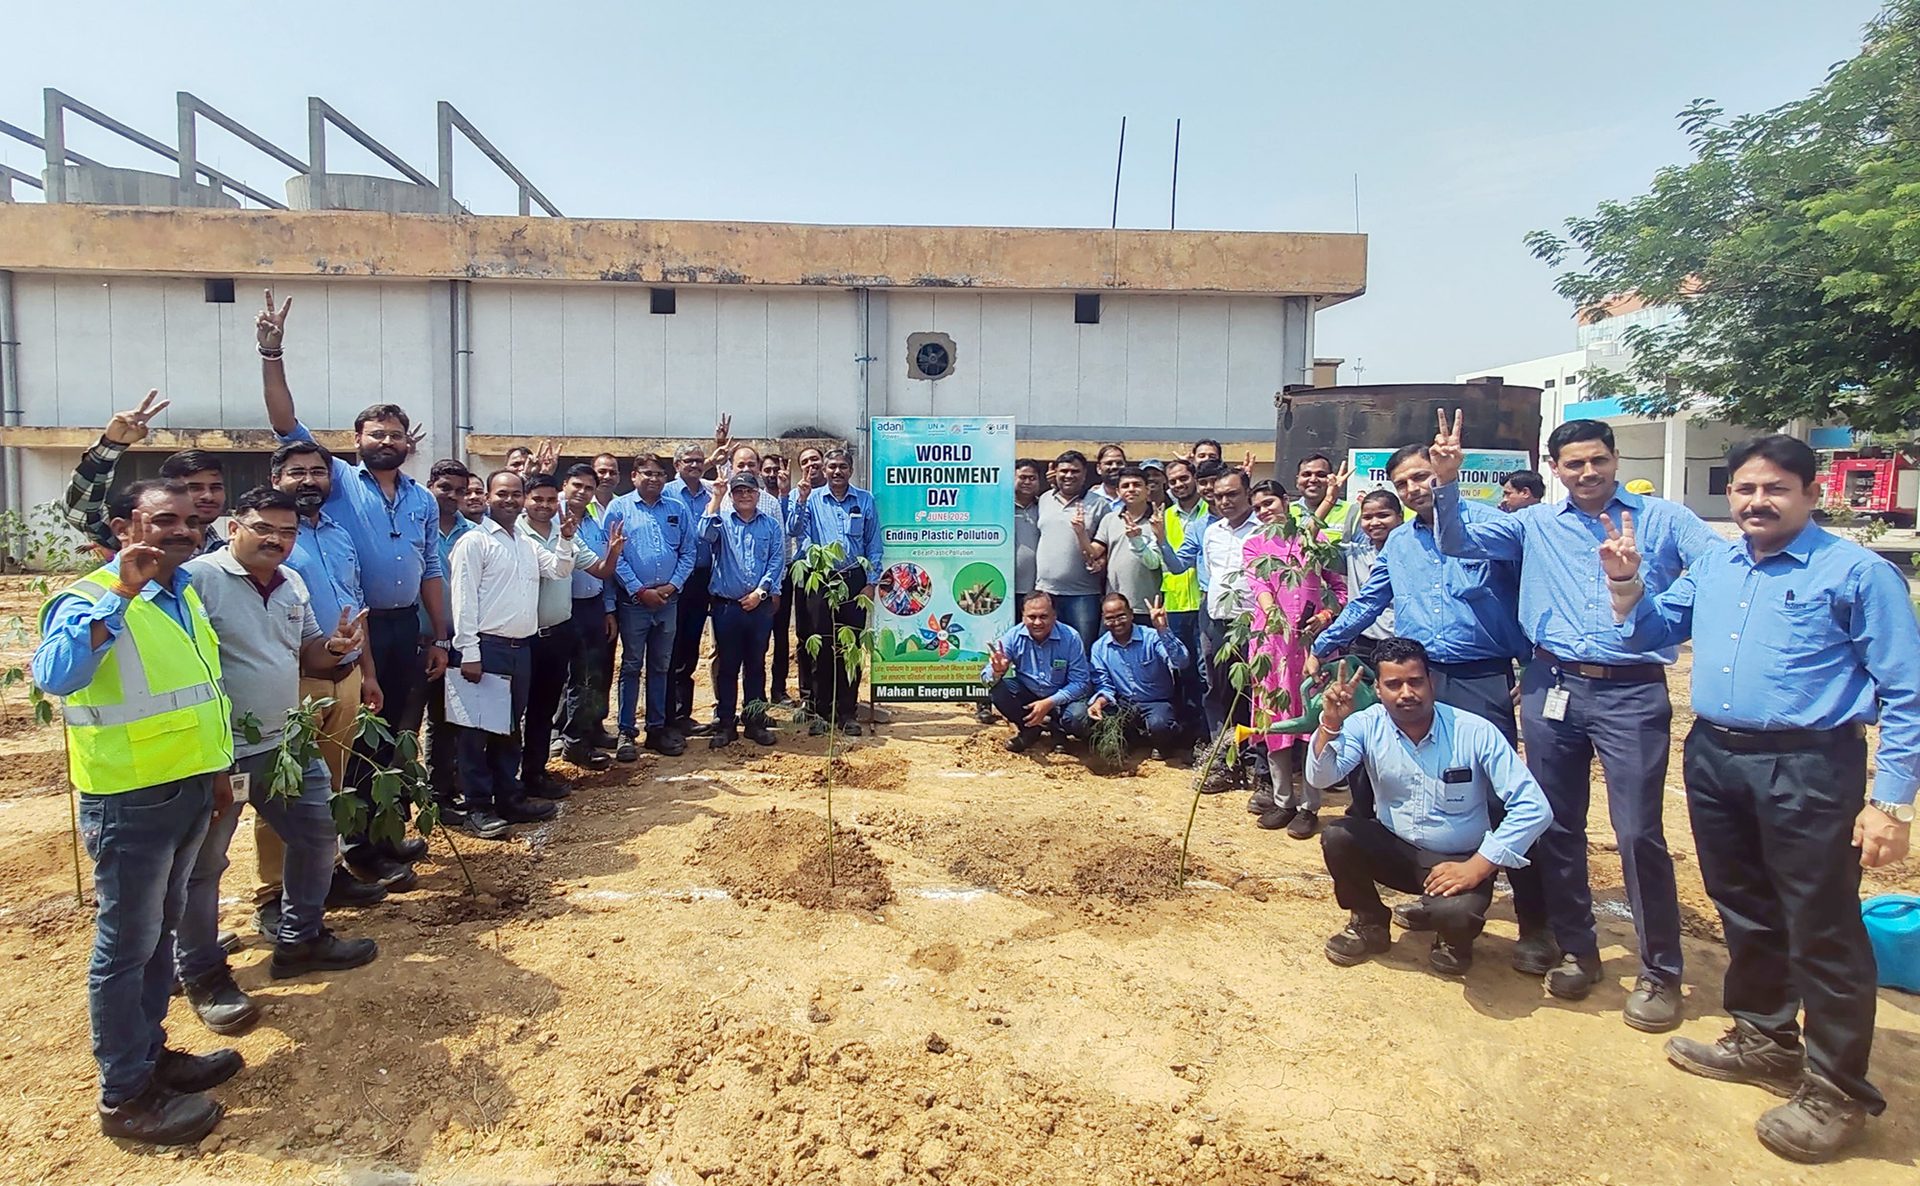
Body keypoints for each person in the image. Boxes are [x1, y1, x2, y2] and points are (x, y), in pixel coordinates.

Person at [1607, 434, 1919, 1164]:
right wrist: (1627, 586)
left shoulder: (1858, 574)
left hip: (1810, 766)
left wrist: (1892, 803)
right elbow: (1655, 631)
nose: (1757, 502)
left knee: (1823, 924)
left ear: (1812, 494)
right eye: (1746, 488)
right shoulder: (1717, 563)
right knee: (1744, 906)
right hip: (1717, 755)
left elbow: (1905, 693)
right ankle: (1764, 1037)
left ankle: (1838, 1088)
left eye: (1775, 488)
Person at [1430, 412, 1718, 1029]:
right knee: (1557, 826)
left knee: (1639, 832)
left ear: (1616, 461)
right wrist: (1447, 482)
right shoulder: (1533, 524)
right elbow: (1457, 542)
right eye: (1574, 463)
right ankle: (1577, 949)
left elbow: (1720, 565)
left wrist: (1658, 607)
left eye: (1598, 460)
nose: (1588, 472)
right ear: (1555, 470)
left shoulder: (1663, 520)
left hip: (1631, 691)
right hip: (1551, 685)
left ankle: (1660, 973)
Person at [31, 479, 237, 1145]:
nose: (181, 530)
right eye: (162, 520)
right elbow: (58, 675)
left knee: (158, 939)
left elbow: (198, 694)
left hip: (186, 789)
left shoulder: (182, 595)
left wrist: (217, 774)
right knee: (125, 948)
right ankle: (124, 1096)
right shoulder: (92, 594)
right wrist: (119, 592)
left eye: (188, 520)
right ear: (125, 528)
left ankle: (152, 1057)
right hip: (130, 800)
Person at [1309, 448, 1551, 964]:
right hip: (1413, 673)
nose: (1415, 487)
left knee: (1497, 796)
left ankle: (1535, 925)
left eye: (1422, 475)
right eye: (1403, 482)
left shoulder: (1494, 528)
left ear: (1443, 472)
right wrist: (1324, 644)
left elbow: (1533, 594)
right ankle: (1389, 904)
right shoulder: (1397, 542)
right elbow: (1369, 601)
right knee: (1373, 785)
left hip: (1479, 675)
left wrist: (1531, 667)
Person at [176, 487, 379, 1036]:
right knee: (204, 866)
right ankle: (200, 972)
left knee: (316, 835)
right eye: (264, 528)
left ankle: (299, 939)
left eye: (287, 532)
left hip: (284, 743)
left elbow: (307, 651)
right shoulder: (196, 581)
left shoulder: (291, 582)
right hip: (219, 753)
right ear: (233, 525)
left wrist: (336, 648)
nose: (276, 540)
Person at [258, 290, 445, 884]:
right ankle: (359, 850)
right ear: (357, 439)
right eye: (375, 433)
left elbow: (432, 568)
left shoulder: (420, 499)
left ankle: (388, 834)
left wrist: (441, 635)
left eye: (396, 433)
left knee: (398, 736)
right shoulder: (335, 481)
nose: (386, 440)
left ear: (408, 442)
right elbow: (286, 425)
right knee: (363, 737)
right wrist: (272, 352)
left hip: (402, 630)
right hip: (345, 634)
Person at [1307, 639, 1553, 977]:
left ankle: (1453, 939)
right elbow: (1322, 777)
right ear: (1378, 690)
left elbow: (1534, 806)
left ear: (1431, 683)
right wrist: (1330, 725)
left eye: (1415, 681)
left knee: (1458, 914)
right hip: (1396, 851)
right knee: (1337, 836)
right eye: (1393, 684)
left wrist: (1479, 866)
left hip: (1459, 861)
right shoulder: (1366, 724)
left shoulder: (1475, 731)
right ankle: (1369, 924)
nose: (1406, 692)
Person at [260, 440, 388, 931]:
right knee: (283, 789)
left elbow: (358, 610)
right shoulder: (267, 542)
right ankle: (273, 893)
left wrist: (368, 671)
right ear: (278, 479)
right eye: (297, 472)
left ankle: (329, 871)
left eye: (318, 471)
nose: (309, 480)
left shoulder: (339, 535)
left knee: (330, 785)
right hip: (294, 682)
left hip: (347, 676)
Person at [448, 471, 577, 839]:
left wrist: (566, 540)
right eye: (501, 493)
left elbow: (558, 569)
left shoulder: (524, 541)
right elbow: (463, 600)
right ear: (487, 497)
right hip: (485, 649)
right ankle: (477, 806)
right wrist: (468, 651)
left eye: (515, 494)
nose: (510, 500)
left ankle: (508, 795)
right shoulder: (474, 542)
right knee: (475, 732)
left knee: (508, 727)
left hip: (522, 648)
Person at [1243, 480, 1345, 837]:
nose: (1263, 511)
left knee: (1314, 722)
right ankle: (1284, 799)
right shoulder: (1254, 544)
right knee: (1274, 724)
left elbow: (1339, 588)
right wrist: (1273, 614)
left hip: (1311, 648)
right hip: (1271, 648)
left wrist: (1326, 616)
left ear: (1286, 501)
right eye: (1257, 507)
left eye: (1268, 502)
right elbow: (1260, 588)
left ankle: (1310, 805)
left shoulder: (1313, 541)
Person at [519, 472, 622, 795]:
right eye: (538, 499)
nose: (545, 506)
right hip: (522, 635)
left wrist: (614, 550)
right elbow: (554, 568)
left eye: (550, 500)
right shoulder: (516, 534)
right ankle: (507, 779)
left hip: (558, 631)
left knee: (543, 706)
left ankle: (535, 774)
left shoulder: (567, 532)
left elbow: (601, 570)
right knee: (515, 711)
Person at [1158, 466, 1261, 785]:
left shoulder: (1264, 530)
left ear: (1248, 493)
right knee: (1217, 690)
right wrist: (1160, 540)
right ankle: (1224, 761)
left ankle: (1258, 764)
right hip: (1215, 619)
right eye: (1219, 496)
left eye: (1232, 494)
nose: (1226, 501)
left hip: (1254, 622)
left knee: (1254, 693)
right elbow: (1184, 568)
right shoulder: (1211, 531)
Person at [606, 453, 696, 759]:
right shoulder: (619, 508)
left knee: (661, 666)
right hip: (634, 603)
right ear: (634, 476)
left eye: (660, 474)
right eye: (647, 473)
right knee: (631, 665)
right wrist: (639, 590)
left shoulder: (676, 509)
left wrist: (672, 586)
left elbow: (689, 552)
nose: (654, 479)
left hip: (668, 602)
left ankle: (656, 729)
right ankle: (626, 732)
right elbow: (613, 557)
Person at [788, 447, 882, 735]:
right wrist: (801, 499)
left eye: (843, 466)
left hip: (854, 580)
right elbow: (793, 529)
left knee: (849, 648)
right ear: (824, 471)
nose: (837, 471)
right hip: (821, 579)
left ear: (851, 470)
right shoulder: (810, 499)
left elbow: (874, 544)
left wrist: (871, 583)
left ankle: (847, 712)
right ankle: (821, 712)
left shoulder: (865, 501)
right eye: (832, 467)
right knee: (822, 647)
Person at [699, 471, 786, 747]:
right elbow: (703, 533)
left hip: (758, 608)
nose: (745, 495)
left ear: (758, 494)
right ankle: (726, 724)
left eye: (749, 491)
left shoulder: (771, 526)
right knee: (727, 667)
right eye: (739, 491)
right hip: (727, 608)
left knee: (756, 666)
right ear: (732, 496)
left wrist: (761, 593)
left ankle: (755, 722)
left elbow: (776, 561)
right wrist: (716, 497)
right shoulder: (721, 522)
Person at [665, 423, 731, 736]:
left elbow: (731, 482)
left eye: (697, 460)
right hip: (675, 580)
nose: (693, 465)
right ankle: (664, 716)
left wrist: (722, 455)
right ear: (677, 466)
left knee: (691, 647)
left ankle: (682, 715)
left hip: (705, 578)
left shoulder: (710, 492)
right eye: (687, 461)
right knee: (670, 647)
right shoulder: (666, 493)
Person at [422, 460, 476, 824]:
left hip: (462, 638)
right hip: (422, 639)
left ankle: (451, 788)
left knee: (455, 718)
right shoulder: (416, 528)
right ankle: (432, 796)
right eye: (445, 488)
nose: (453, 496)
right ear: (430, 486)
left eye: (460, 490)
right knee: (425, 719)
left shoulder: (473, 533)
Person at [559, 463, 621, 770]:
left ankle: (591, 729)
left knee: (595, 673)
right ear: (565, 485)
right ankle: (572, 740)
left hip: (593, 604)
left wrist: (608, 609)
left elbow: (604, 571)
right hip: (563, 607)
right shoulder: (553, 517)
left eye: (588, 488)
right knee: (574, 678)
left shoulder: (595, 520)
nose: (582, 492)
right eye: (577, 486)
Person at [60, 390, 172, 554]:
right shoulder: (138, 541)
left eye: (215, 486)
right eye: (195, 487)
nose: (206, 496)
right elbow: (82, 513)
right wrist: (111, 444)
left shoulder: (215, 549)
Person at [982, 593, 1093, 752]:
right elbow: (985, 678)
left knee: (1077, 719)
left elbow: (1081, 683)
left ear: (1054, 615)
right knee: (998, 691)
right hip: (1029, 693)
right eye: (1031, 617)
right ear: (1023, 616)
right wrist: (996, 672)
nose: (1037, 622)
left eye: (1044, 616)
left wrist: (1049, 703)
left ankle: (1059, 731)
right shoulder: (1013, 636)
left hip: (1062, 698)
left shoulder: (1071, 637)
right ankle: (1029, 729)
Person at [1088, 594, 1189, 762]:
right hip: (1125, 704)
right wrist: (1099, 702)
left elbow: (1181, 662)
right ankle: (1134, 741)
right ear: (1104, 620)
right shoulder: (1099, 648)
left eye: (1121, 616)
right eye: (1110, 618)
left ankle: (1163, 744)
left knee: (1159, 724)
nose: (1117, 622)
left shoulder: (1152, 637)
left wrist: (1163, 630)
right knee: (1100, 720)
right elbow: (1104, 685)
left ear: (1131, 614)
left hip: (1156, 702)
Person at [1157, 458, 1212, 748]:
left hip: (1207, 605)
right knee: (1183, 671)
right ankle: (1190, 734)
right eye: (1173, 481)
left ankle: (1208, 733)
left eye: (1184, 478)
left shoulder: (1212, 512)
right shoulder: (1164, 517)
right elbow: (1169, 563)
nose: (1179, 484)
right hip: (1177, 605)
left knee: (1208, 673)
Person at [1033, 450, 1109, 651]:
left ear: (1085, 474)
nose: (1069, 475)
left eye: (1075, 471)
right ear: (1055, 473)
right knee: (1048, 649)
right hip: (1046, 591)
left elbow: (1108, 544)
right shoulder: (1044, 499)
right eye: (1064, 471)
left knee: (1082, 650)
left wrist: (1102, 561)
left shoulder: (1099, 504)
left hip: (1083, 594)